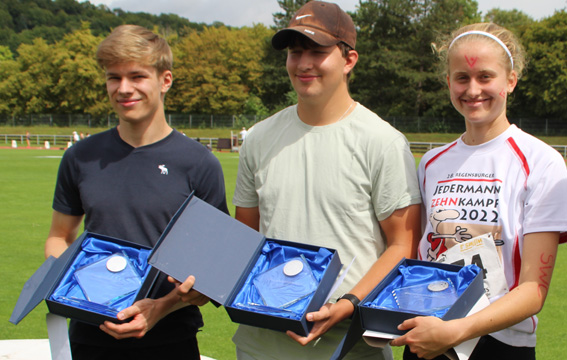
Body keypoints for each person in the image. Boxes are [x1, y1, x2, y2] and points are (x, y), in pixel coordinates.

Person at [231, 2, 422, 359]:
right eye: (295, 52)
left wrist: (349, 303)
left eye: (317, 52)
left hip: (348, 345)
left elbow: (402, 245)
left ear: (349, 60)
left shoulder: (382, 142)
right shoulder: (258, 138)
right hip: (261, 342)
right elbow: (245, 239)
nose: (303, 64)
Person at [44, 25, 228, 360]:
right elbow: (59, 235)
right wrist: (69, 284)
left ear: (165, 80)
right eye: (113, 77)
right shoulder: (80, 157)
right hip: (89, 336)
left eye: (137, 76)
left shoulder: (199, 163)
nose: (124, 89)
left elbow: (213, 269)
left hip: (170, 339)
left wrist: (162, 306)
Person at [390, 23, 567, 360]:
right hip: (429, 337)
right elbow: (421, 256)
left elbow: (533, 291)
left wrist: (455, 331)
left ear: (510, 81)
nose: (473, 90)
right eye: (461, 78)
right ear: (448, 83)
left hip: (500, 345)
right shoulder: (430, 163)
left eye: (485, 77)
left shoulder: (541, 162)